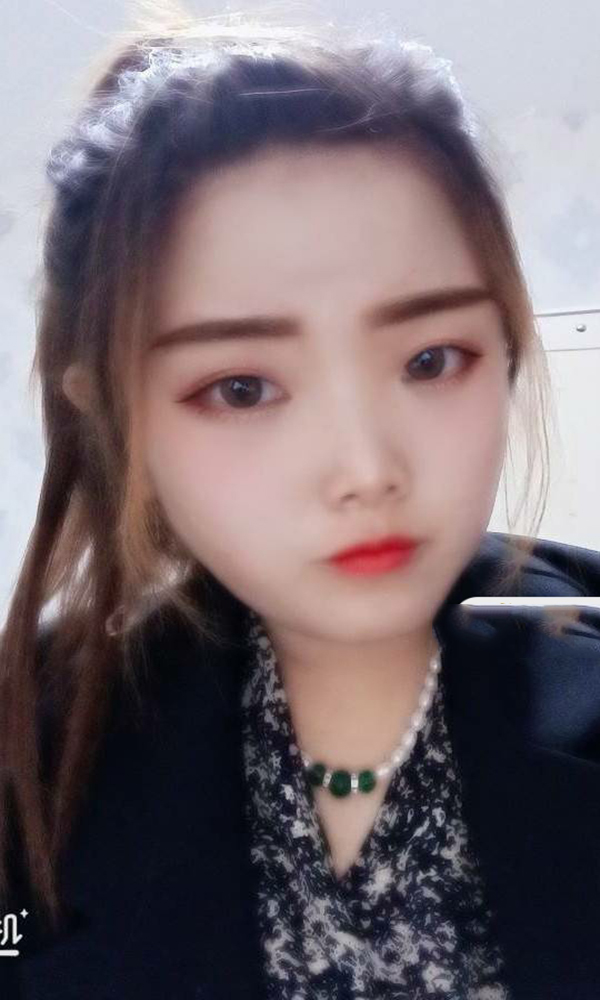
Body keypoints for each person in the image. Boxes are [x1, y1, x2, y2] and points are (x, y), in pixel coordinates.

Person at [1, 6, 599, 999]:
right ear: (112, 417)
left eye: (430, 360)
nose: (365, 467)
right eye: (242, 389)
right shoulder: (31, 756)